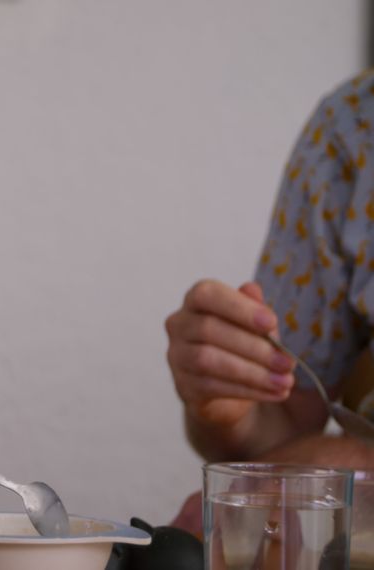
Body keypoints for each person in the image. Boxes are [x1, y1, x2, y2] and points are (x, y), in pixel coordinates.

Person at [165, 70, 374, 533]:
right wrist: (229, 406)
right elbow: (283, 428)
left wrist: (337, 465)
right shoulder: (352, 127)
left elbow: (304, 462)